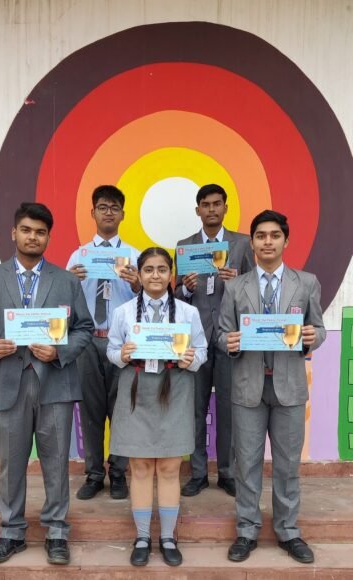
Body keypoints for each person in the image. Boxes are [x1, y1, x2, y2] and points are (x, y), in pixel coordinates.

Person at [0, 202, 94, 565]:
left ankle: (57, 532)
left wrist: (59, 351)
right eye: (26, 230)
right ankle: (11, 532)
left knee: (56, 462)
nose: (32, 237)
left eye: (40, 232)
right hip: (5, 383)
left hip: (55, 383)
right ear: (14, 233)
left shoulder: (67, 281)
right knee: (11, 463)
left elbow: (83, 328)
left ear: (48, 237)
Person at [218, 209, 326, 564]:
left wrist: (311, 337)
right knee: (246, 464)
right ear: (252, 242)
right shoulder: (235, 286)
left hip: (289, 388)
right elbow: (221, 333)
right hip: (248, 386)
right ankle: (247, 530)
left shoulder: (306, 283)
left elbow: (318, 328)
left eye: (274, 235)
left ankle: (288, 530)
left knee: (287, 465)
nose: (267, 242)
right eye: (261, 236)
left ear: (285, 241)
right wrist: (229, 342)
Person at [107, 248, 207, 567]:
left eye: (162, 269)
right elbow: (111, 350)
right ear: (139, 274)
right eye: (148, 269)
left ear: (170, 274)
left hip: (175, 389)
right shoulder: (123, 312)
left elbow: (202, 350)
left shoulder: (188, 313)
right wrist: (121, 355)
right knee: (139, 467)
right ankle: (141, 537)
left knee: (168, 467)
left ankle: (166, 537)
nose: (155, 275)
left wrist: (191, 359)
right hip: (135, 390)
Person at [175, 184, 255, 498]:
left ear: (225, 207)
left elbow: (255, 289)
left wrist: (240, 282)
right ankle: (197, 474)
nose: (211, 209)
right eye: (206, 204)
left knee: (228, 409)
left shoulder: (242, 244)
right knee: (194, 408)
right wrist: (185, 287)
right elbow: (175, 294)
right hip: (195, 339)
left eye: (217, 204)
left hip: (229, 338)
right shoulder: (184, 246)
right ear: (198, 210)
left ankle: (227, 473)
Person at [67, 185, 140, 500]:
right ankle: (95, 474)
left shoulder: (134, 256)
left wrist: (138, 285)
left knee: (122, 411)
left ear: (123, 214)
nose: (108, 212)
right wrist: (70, 283)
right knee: (91, 411)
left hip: (122, 343)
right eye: (102, 207)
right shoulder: (78, 256)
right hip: (87, 342)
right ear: (92, 213)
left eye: (114, 207)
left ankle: (119, 473)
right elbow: (64, 302)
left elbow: (150, 301)